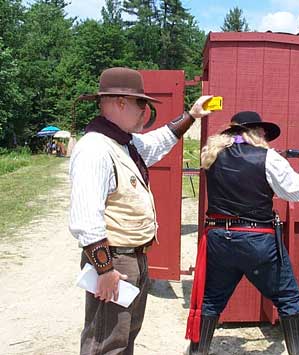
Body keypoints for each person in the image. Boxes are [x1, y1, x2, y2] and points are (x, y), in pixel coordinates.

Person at [69, 67, 212, 355]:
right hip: (114, 261)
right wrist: (106, 270)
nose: (145, 112)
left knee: (124, 337)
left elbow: (159, 141)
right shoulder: (95, 149)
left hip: (129, 259)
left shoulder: (123, 144)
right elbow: (86, 219)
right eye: (141, 104)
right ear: (121, 102)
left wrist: (192, 115)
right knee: (106, 342)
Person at [186, 111, 299, 355]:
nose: (265, 137)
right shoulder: (268, 158)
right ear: (254, 132)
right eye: (262, 132)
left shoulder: (210, 155)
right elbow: (296, 192)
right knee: (289, 299)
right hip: (257, 241)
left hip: (219, 240)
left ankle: (198, 352)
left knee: (211, 301)